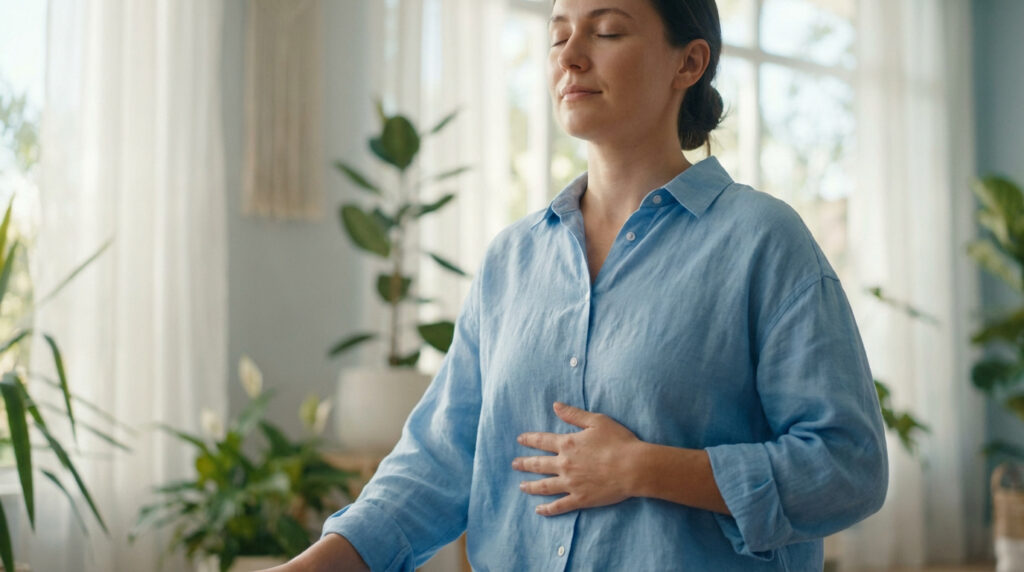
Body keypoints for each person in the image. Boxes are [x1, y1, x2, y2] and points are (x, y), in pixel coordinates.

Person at [272, 0, 888, 569]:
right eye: (558, 35)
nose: (570, 55)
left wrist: (646, 469)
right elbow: (435, 465)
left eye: (608, 30)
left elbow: (848, 466)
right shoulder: (510, 261)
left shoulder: (763, 240)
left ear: (689, 62)